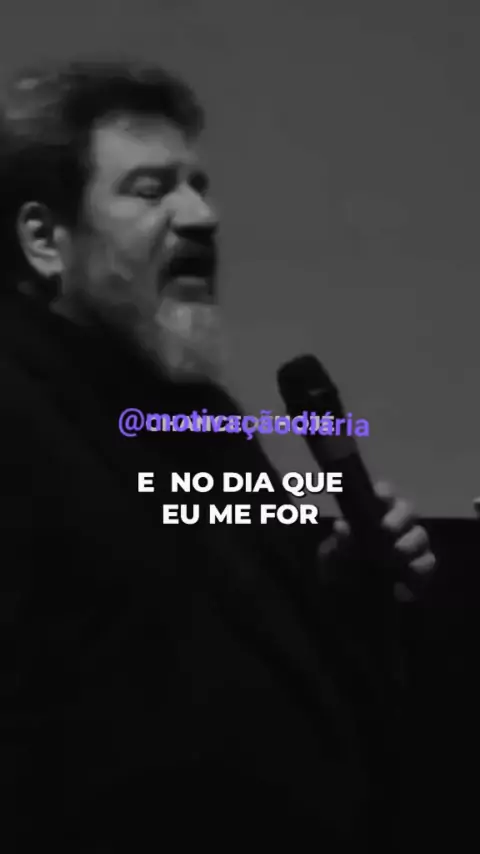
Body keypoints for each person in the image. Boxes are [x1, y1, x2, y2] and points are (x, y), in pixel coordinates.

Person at [0, 59, 435, 851]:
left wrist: (336, 586)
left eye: (198, 185)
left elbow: (223, 635)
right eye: (151, 190)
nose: (203, 215)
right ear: (42, 239)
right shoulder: (18, 411)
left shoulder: (198, 413)